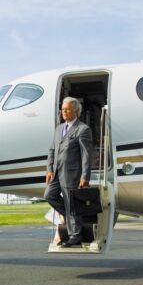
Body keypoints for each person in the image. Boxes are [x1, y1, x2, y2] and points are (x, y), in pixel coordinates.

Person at [45, 97, 94, 247]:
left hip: (72, 173)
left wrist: (85, 176)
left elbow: (87, 154)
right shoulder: (59, 128)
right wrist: (49, 168)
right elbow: (52, 150)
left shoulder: (83, 129)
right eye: (62, 109)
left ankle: (75, 236)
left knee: (71, 203)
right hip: (56, 173)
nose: (63, 112)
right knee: (49, 195)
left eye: (67, 109)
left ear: (76, 111)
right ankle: (67, 216)